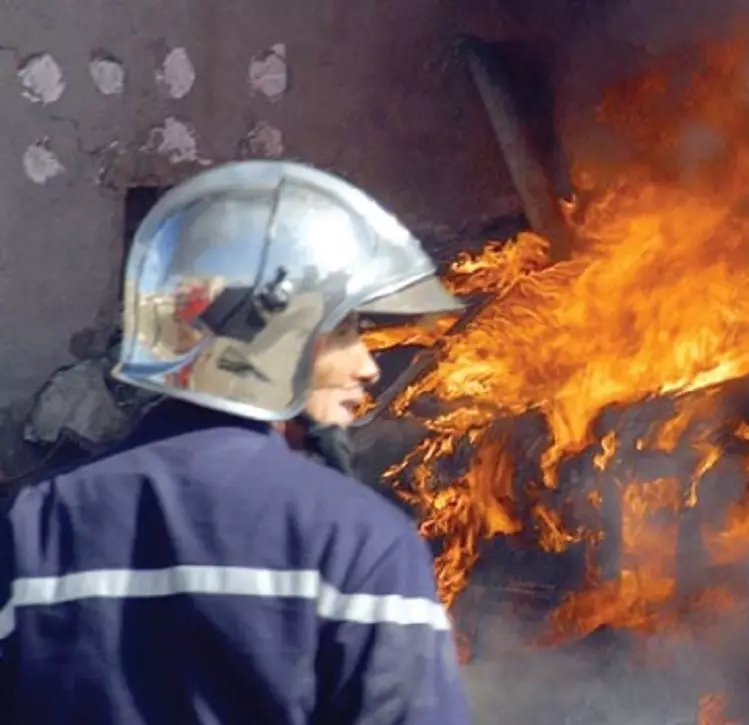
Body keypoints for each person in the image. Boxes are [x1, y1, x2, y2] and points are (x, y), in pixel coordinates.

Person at [0, 160, 472, 724]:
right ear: (275, 344)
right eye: (347, 331)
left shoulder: (33, 528)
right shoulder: (360, 544)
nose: (369, 367)